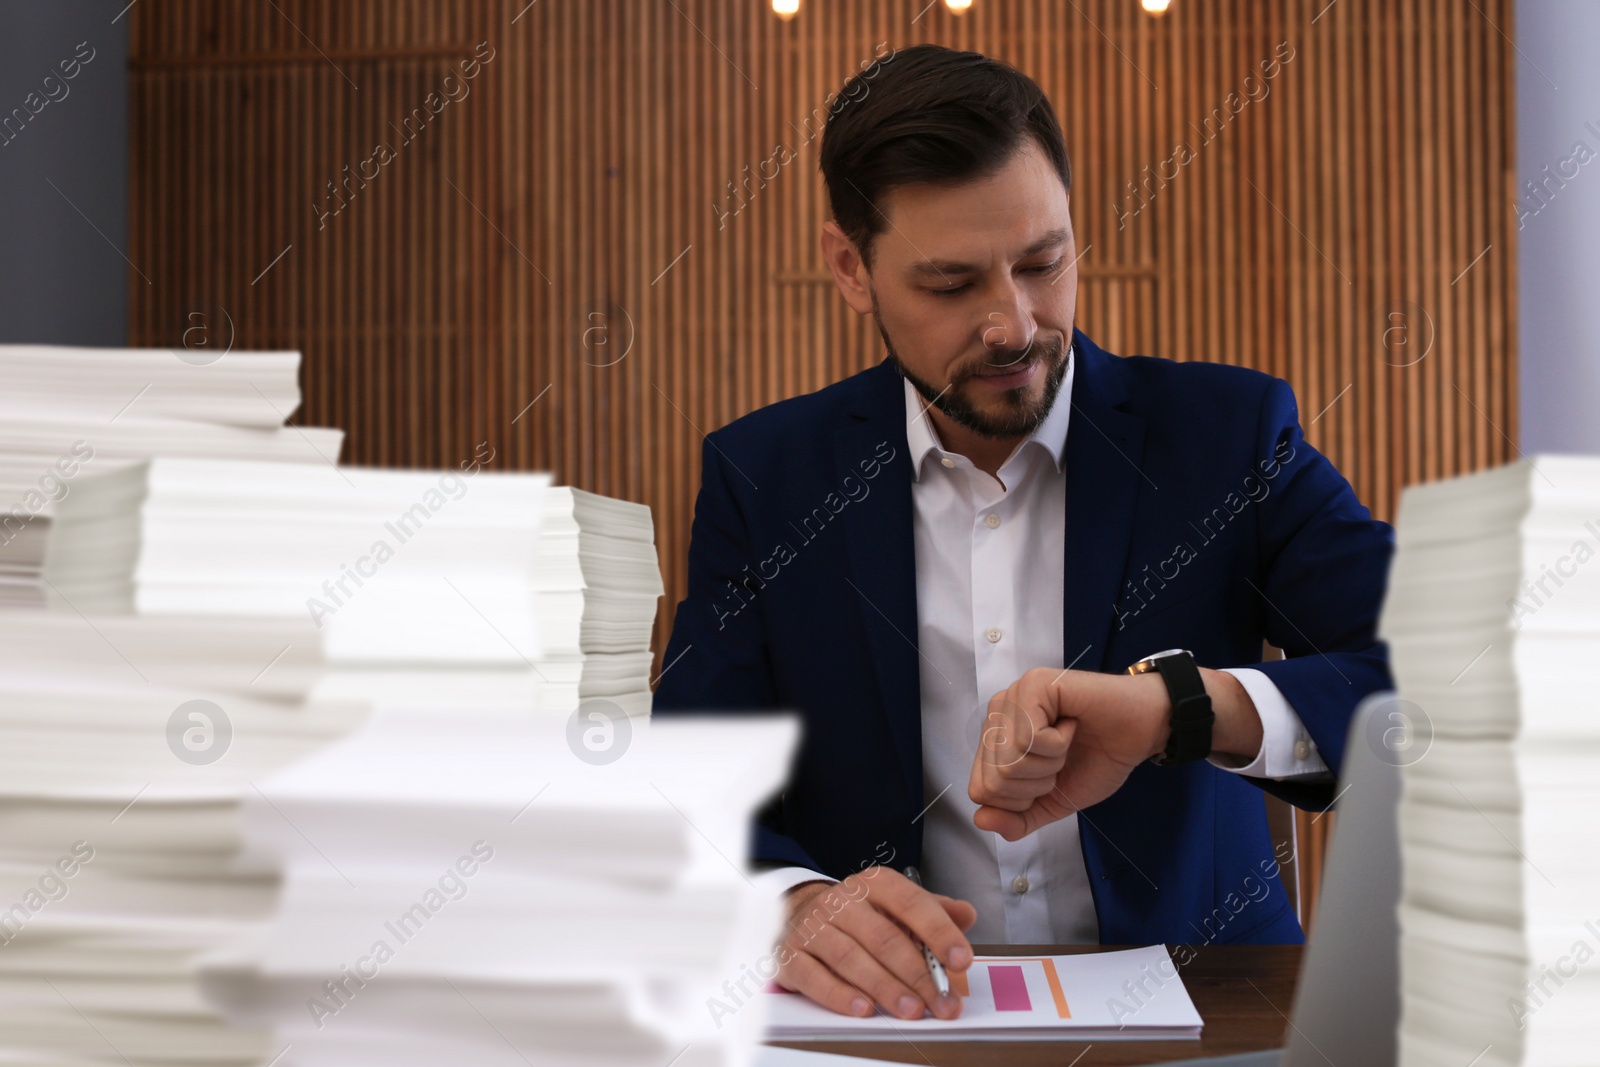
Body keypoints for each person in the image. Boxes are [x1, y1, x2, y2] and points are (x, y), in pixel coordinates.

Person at [652, 44, 1393, 1024]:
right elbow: (687, 779)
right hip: (890, 1028)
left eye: (1044, 263)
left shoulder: (1227, 435)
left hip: (1215, 1019)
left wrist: (1184, 707)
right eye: (952, 284)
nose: (1014, 323)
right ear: (849, 267)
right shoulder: (766, 477)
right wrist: (790, 904)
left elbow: (1450, 667)